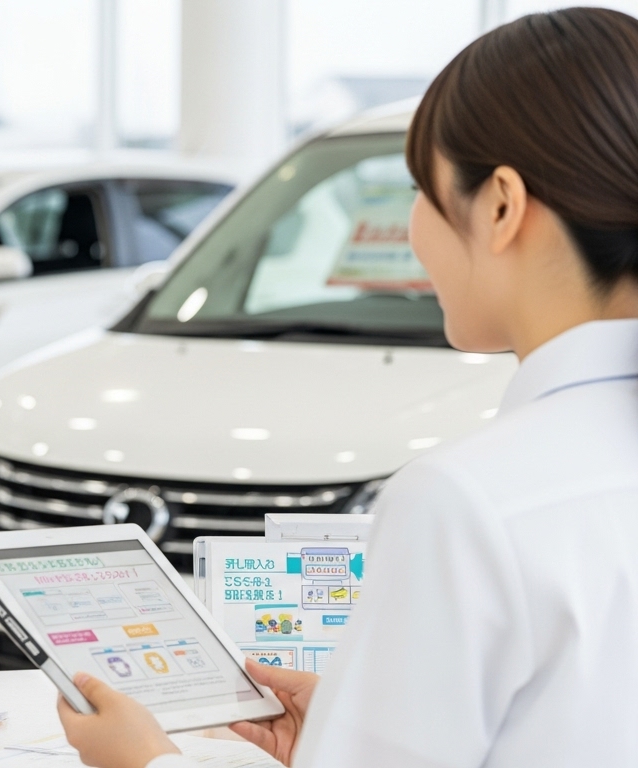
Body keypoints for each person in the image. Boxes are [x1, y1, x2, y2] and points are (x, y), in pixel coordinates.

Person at [57, 8, 638, 767]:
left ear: (500, 205)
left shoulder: (466, 501)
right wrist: (352, 730)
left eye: (422, 192)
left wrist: (144, 760)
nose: (413, 229)